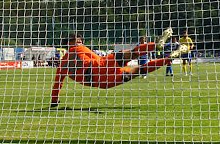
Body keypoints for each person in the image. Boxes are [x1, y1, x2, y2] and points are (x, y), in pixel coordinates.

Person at [50, 28, 187, 107]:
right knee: (132, 54)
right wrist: (110, 60)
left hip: (104, 83)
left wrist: (54, 102)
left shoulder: (62, 65)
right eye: (77, 41)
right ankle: (155, 45)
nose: (79, 42)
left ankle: (169, 58)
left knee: (141, 70)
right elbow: (96, 58)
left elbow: (57, 84)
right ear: (69, 43)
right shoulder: (78, 48)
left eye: (80, 41)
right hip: (101, 66)